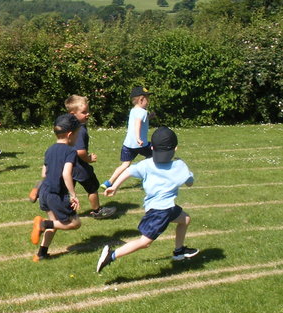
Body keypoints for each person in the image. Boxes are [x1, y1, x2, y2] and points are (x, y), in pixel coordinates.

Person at [97, 126, 198, 273]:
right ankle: (111, 255)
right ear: (175, 148)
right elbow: (190, 183)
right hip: (160, 211)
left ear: (151, 147)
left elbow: (128, 171)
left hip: (165, 207)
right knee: (145, 242)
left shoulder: (147, 164)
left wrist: (115, 186)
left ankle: (179, 251)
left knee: (185, 219)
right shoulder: (179, 165)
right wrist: (186, 173)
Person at [29, 114, 82, 262]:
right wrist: (73, 195)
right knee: (74, 223)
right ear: (70, 134)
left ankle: (41, 253)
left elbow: (44, 173)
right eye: (77, 134)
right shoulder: (70, 151)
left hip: (45, 192)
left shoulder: (50, 149)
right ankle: (42, 224)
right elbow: (66, 174)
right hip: (57, 194)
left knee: (55, 223)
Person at [65, 95, 117, 219]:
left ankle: (64, 212)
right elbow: (80, 151)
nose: (88, 114)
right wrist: (89, 159)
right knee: (92, 187)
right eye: (84, 112)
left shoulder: (68, 125)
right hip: (79, 165)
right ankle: (97, 211)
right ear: (73, 114)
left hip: (68, 164)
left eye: (88, 111)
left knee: (67, 189)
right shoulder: (80, 130)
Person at [101, 86, 153, 189]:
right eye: (147, 99)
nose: (149, 101)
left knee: (125, 164)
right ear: (141, 99)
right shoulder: (142, 112)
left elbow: (139, 120)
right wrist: (138, 138)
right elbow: (138, 123)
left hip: (128, 144)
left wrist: (150, 117)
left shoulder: (134, 110)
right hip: (140, 144)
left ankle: (109, 182)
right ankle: (148, 178)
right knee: (154, 155)